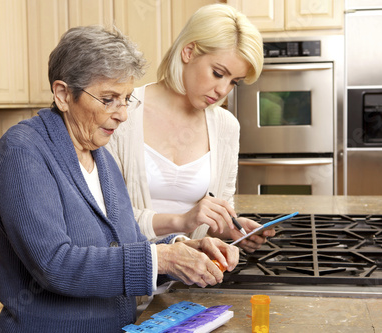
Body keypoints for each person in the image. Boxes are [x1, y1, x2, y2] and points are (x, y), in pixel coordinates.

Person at [0, 25, 239, 333]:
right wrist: (162, 259)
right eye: (108, 99)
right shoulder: (23, 151)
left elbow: (127, 244)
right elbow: (54, 265)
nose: (122, 114)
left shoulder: (101, 156)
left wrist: (184, 248)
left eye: (126, 99)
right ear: (63, 94)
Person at [107, 4, 274, 252]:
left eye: (234, 83)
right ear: (188, 52)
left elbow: (216, 214)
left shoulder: (226, 127)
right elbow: (106, 216)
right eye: (218, 73)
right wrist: (182, 220)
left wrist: (232, 229)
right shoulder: (122, 113)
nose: (223, 91)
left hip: (192, 279)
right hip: (132, 277)